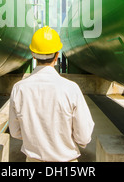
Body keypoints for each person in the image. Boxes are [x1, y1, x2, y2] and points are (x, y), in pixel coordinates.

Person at [9, 26, 95, 162]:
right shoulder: (71, 89)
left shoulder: (19, 89)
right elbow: (83, 136)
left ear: (33, 53)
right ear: (57, 54)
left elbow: (15, 132)